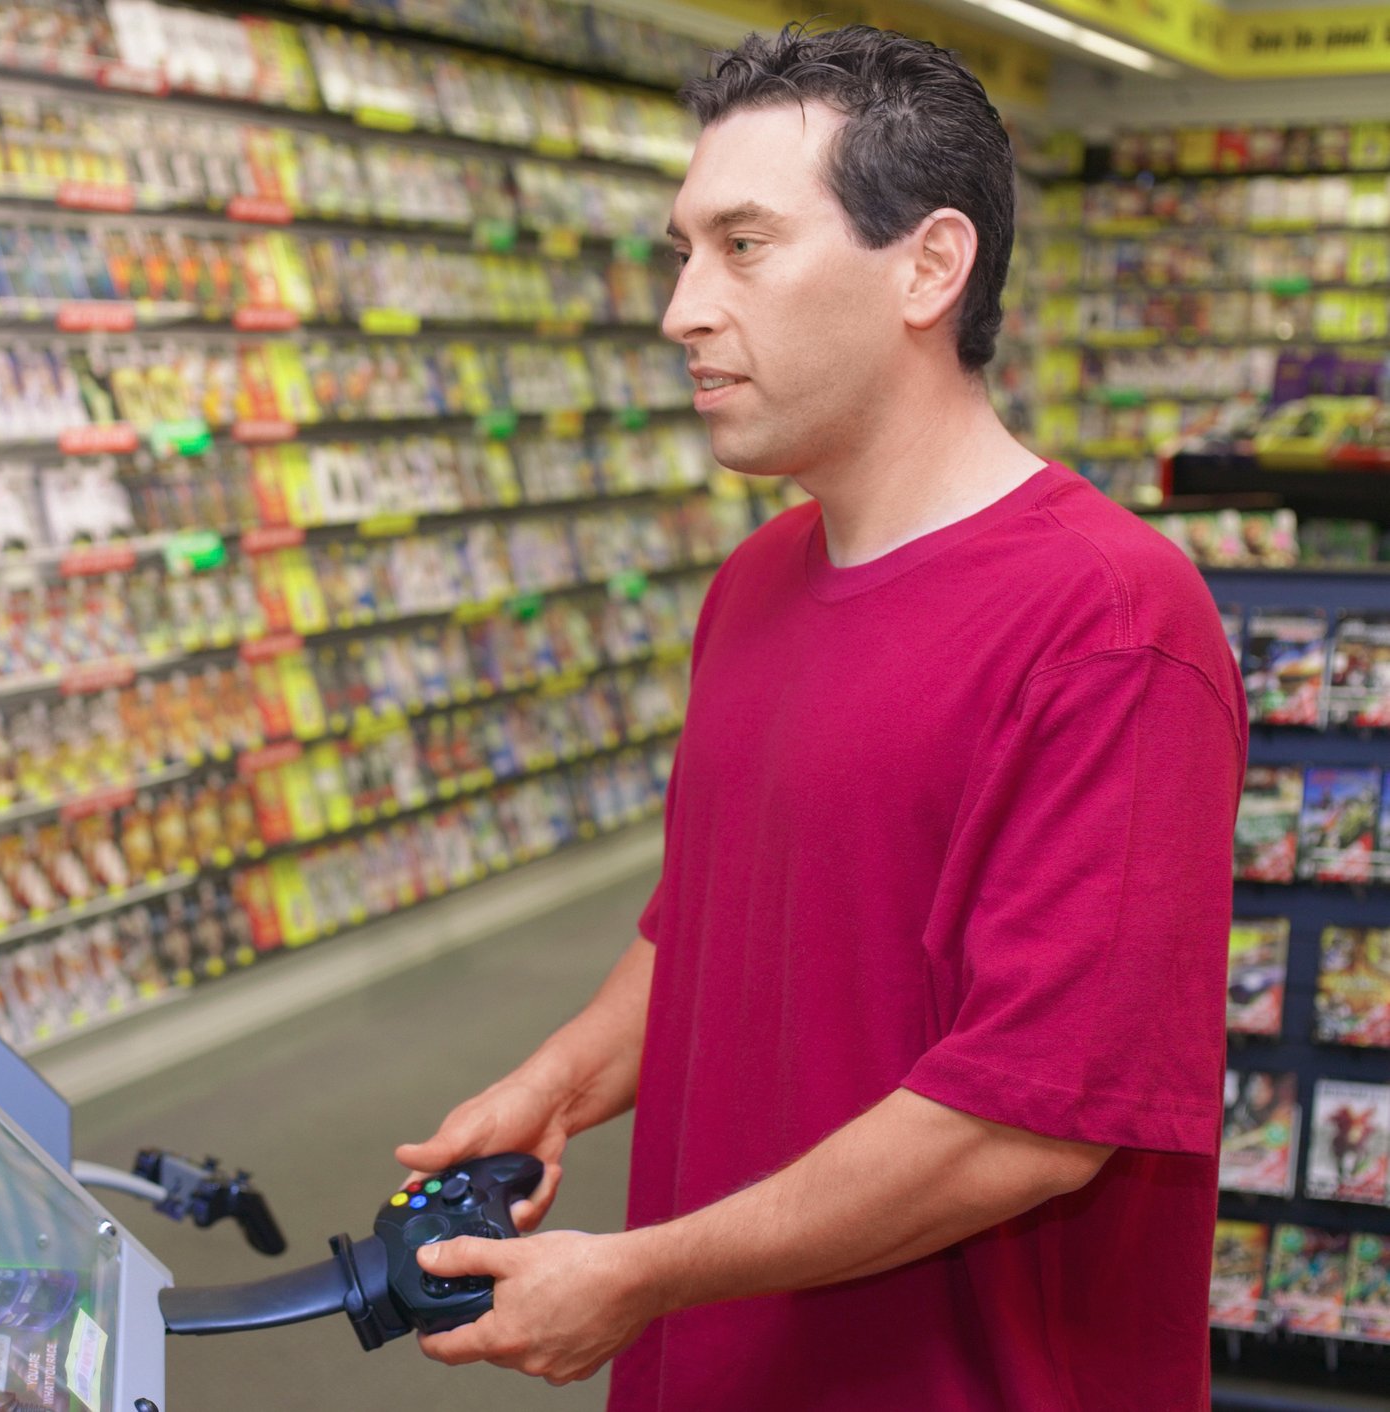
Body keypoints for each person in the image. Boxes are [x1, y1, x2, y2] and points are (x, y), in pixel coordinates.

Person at [398, 23, 1246, 1410]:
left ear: (929, 265)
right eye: (683, 250)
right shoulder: (754, 584)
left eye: (744, 245)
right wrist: (563, 1079)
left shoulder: (1111, 629)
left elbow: (1025, 1127)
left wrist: (645, 1271)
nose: (682, 308)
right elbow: (718, 919)